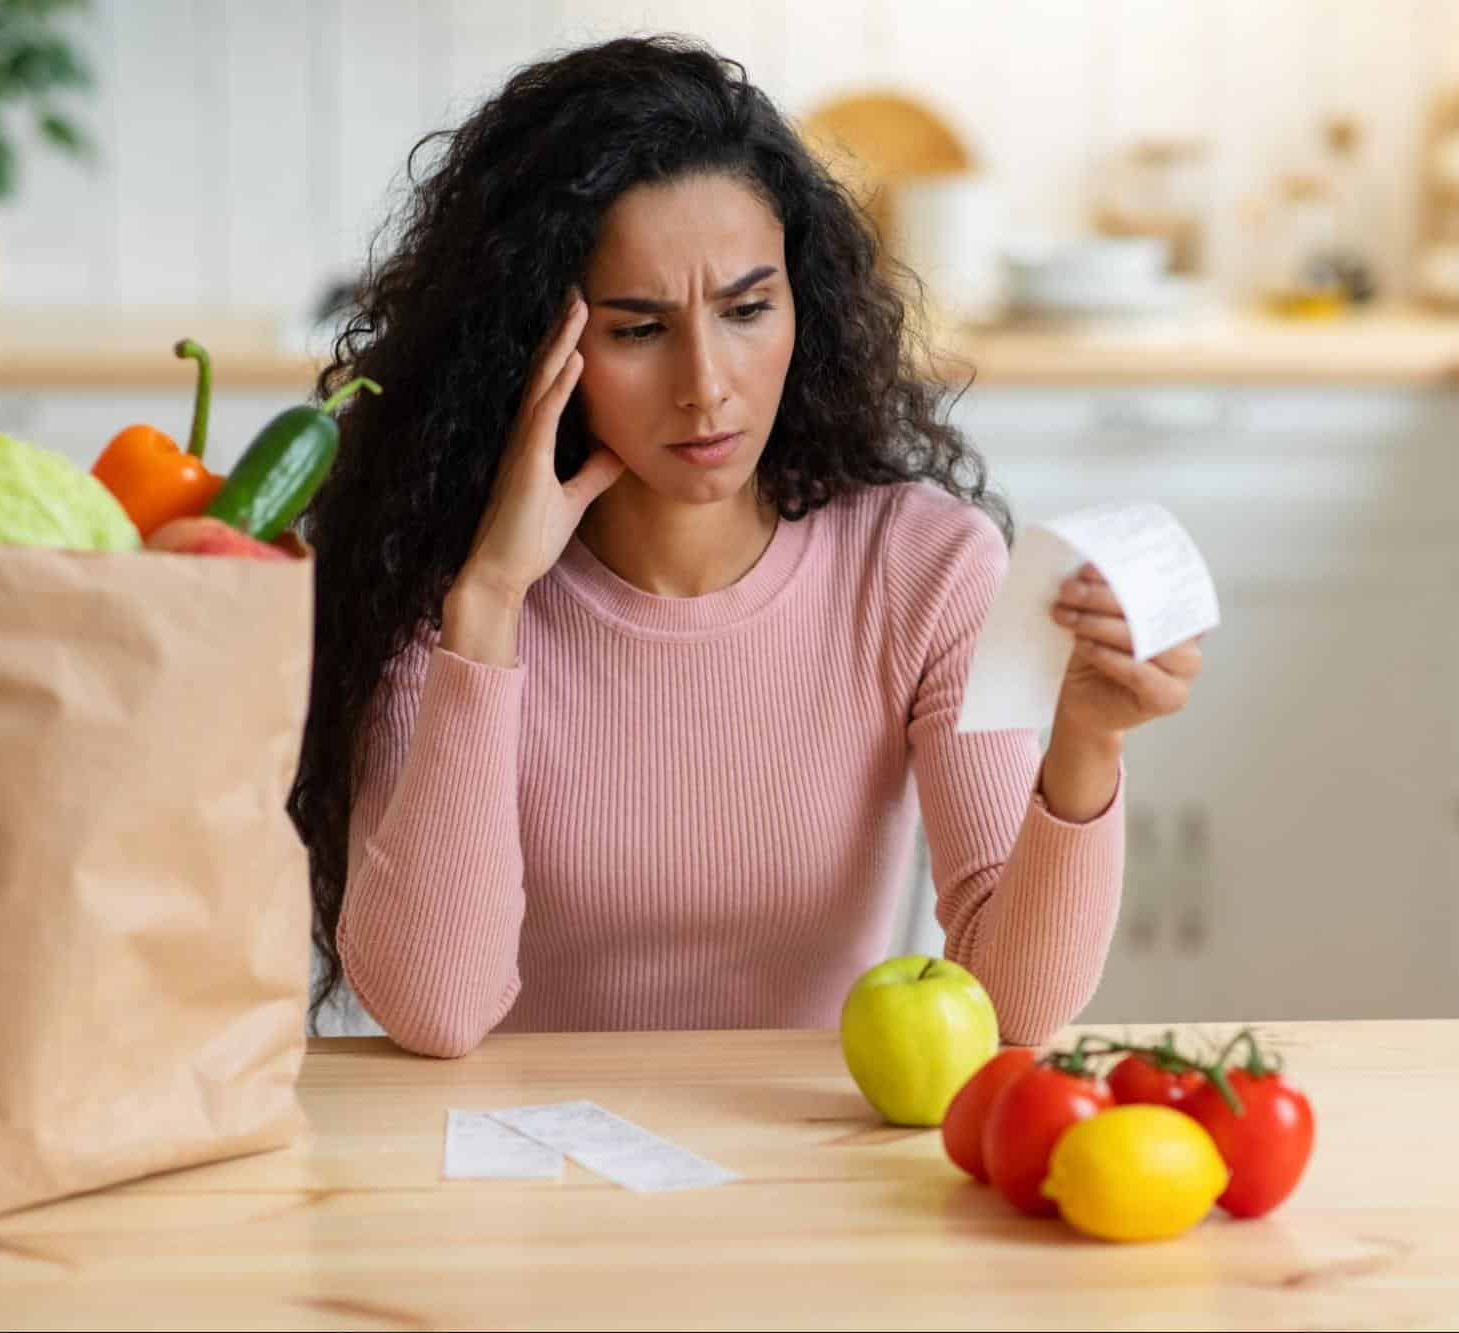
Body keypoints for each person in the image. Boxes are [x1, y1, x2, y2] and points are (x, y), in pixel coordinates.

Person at [289, 35, 1204, 1057]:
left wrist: (1085, 742)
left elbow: (1012, 1010)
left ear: (801, 309)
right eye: (638, 329)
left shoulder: (922, 567)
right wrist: (489, 605)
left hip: (810, 1171)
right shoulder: (450, 585)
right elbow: (435, 1011)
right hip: (526, 1179)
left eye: (746, 309)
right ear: (531, 345)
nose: (706, 385)